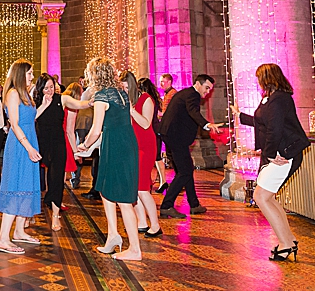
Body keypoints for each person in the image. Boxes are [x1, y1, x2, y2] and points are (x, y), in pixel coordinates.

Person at [231, 63, 311, 261]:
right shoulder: (270, 99)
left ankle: (286, 243)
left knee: (261, 197)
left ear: (267, 78)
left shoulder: (279, 99)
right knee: (268, 198)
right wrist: (240, 115)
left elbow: (275, 130)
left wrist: (270, 153)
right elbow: (263, 122)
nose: (258, 82)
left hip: (283, 155)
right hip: (277, 154)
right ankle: (289, 240)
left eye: (259, 77)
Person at [77, 58, 142, 261]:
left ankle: (135, 249)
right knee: (105, 190)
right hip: (124, 143)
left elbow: (96, 129)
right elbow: (112, 126)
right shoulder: (121, 93)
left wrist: (85, 145)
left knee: (123, 200)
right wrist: (93, 146)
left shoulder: (102, 96)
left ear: (94, 75)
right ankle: (113, 235)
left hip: (117, 147)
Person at [0, 59, 42, 254]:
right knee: (15, 186)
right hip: (20, 145)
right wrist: (29, 147)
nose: (32, 76)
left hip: (28, 141)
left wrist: (45, 105)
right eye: (29, 73)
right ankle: (2, 238)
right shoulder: (13, 94)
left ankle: (19, 231)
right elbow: (14, 124)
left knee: (26, 185)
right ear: (20, 74)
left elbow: (30, 118)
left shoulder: (25, 95)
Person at [34, 74, 92, 232]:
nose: (50, 91)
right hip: (40, 144)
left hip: (58, 144)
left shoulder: (62, 99)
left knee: (57, 179)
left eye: (52, 87)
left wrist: (90, 102)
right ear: (40, 89)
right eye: (46, 88)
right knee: (34, 179)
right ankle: (27, 214)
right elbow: (31, 118)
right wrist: (43, 105)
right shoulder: (36, 100)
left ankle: (55, 215)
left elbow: (78, 104)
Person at [156, 74, 218, 218]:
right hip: (175, 137)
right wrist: (207, 124)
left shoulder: (186, 93)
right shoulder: (192, 95)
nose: (207, 92)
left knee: (186, 169)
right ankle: (166, 206)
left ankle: (194, 204)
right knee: (184, 171)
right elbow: (193, 112)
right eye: (206, 88)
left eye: (210, 89)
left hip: (172, 135)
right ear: (198, 84)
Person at [128, 74, 162, 237]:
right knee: (135, 189)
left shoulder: (146, 98)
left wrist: (131, 111)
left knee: (142, 189)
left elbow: (146, 123)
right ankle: (142, 222)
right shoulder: (130, 101)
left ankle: (155, 225)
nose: (124, 90)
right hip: (133, 146)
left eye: (127, 87)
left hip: (146, 147)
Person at [62, 82, 83, 188]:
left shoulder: (62, 100)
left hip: (56, 135)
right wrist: (75, 151)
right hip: (64, 138)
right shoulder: (72, 106)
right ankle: (58, 201)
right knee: (62, 171)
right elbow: (69, 130)